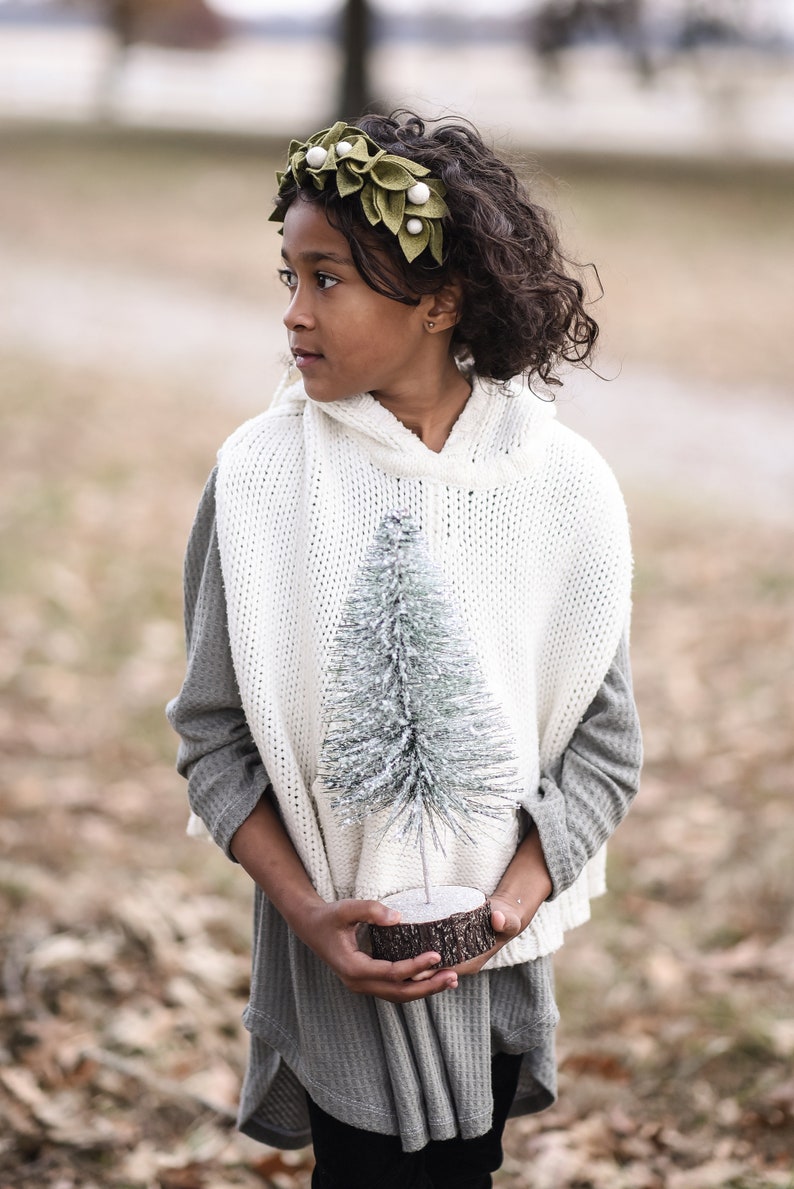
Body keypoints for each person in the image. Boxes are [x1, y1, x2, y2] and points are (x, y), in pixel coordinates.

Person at [166, 111, 642, 1189]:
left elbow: (603, 746)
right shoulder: (256, 484)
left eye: (326, 279)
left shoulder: (558, 489)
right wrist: (310, 915)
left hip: (493, 966)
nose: (292, 313)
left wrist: (505, 907)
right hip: (337, 961)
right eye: (286, 277)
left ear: (439, 298)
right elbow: (211, 734)